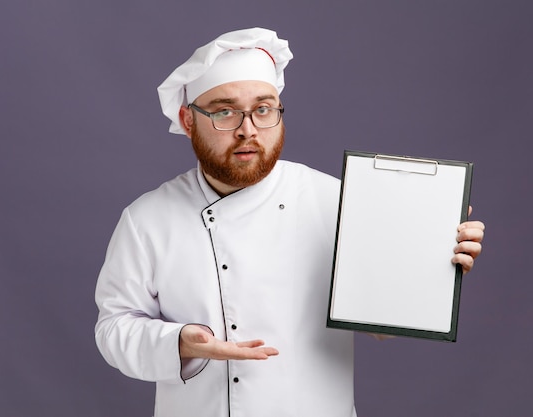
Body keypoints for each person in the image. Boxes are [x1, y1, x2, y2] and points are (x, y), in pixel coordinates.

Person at [94, 27, 485, 417]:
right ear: (188, 119)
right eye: (225, 111)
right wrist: (179, 341)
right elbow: (113, 328)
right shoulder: (147, 218)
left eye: (263, 109)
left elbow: (381, 323)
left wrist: (434, 260)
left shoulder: (337, 203)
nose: (248, 130)